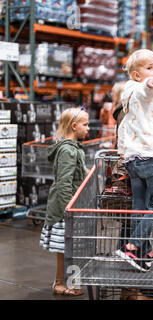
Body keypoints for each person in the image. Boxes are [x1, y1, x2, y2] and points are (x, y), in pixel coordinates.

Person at [114, 49, 153, 272]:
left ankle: (143, 253)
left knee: (140, 206)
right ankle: (133, 246)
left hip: (133, 159)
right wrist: (150, 86)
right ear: (137, 75)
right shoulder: (141, 90)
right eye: (149, 68)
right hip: (150, 156)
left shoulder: (126, 91)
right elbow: (145, 94)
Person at [39, 107, 89, 296]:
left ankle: (62, 283)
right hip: (66, 208)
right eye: (85, 124)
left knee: (68, 248)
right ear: (74, 126)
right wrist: (69, 209)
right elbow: (64, 183)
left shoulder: (72, 148)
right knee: (70, 248)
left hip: (69, 205)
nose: (88, 128)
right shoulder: (68, 150)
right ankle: (67, 284)